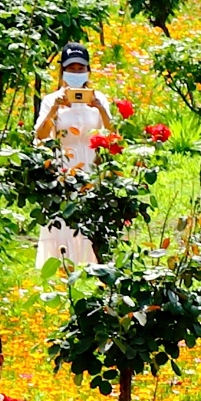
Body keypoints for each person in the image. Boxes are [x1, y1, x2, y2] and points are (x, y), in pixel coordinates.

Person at [28, 42, 125, 269]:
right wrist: (54, 111)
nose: (75, 73)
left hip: (92, 167)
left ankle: (94, 266)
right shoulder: (51, 100)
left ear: (88, 70)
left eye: (80, 69)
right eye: (71, 68)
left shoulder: (99, 99)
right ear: (62, 71)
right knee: (64, 220)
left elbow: (114, 137)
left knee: (92, 219)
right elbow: (40, 136)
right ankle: (64, 267)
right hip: (64, 168)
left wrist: (100, 108)